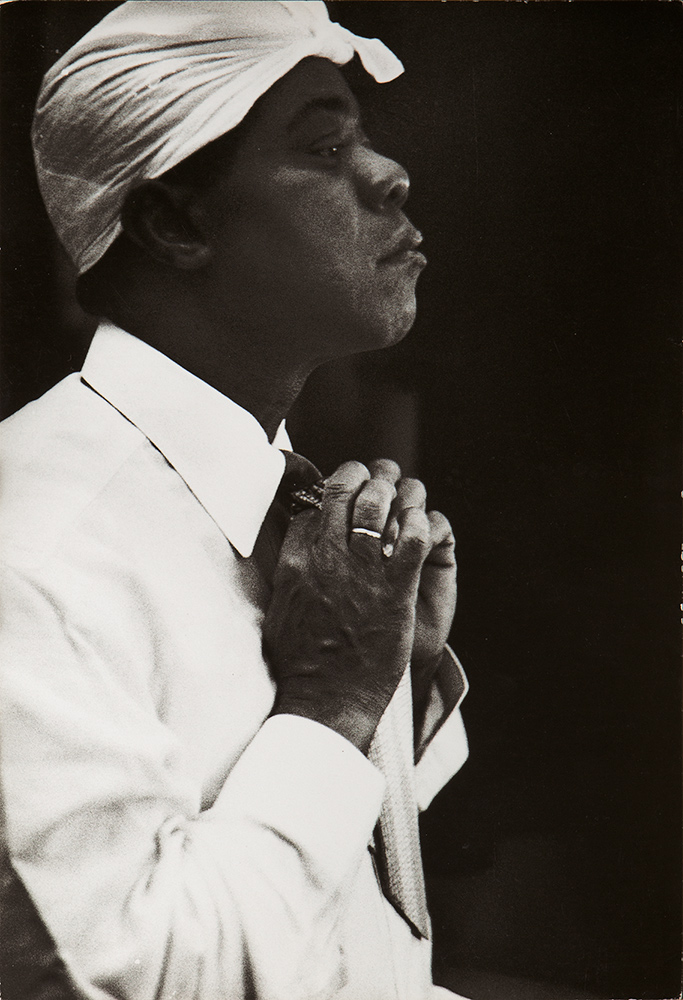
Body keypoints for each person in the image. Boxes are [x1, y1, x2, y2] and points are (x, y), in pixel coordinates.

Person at [0, 3, 469, 998]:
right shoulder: (34, 547)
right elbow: (123, 980)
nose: (389, 175)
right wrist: (334, 704)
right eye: (324, 147)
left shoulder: (290, 504)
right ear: (175, 223)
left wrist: (396, 674)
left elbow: (348, 950)